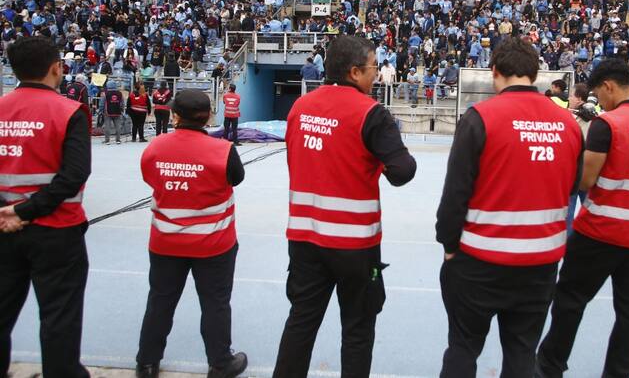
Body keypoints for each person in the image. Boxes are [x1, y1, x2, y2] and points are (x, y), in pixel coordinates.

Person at [435, 38, 583, 378]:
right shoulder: (568, 124)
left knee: (463, 347)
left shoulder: (480, 117)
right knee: (521, 352)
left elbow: (455, 193)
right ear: (535, 74)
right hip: (540, 262)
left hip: (480, 258)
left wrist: (449, 245)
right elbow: (572, 188)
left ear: (494, 72)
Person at [273, 35, 417, 378]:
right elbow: (403, 171)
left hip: (305, 239)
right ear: (354, 72)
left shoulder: (300, 107)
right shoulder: (371, 112)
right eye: (373, 68)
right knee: (357, 328)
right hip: (354, 244)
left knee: (301, 322)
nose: (376, 75)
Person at [535, 58, 629, 378]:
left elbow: (586, 180)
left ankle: (549, 366)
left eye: (598, 94)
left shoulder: (609, 124)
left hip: (601, 231)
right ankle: (619, 372)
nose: (598, 102)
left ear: (608, 86)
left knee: (570, 299)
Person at [135, 90, 248, 378]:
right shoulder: (223, 150)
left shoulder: (156, 147)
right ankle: (220, 363)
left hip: (166, 241)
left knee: (160, 301)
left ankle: (147, 363)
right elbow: (236, 178)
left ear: (174, 116)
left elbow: (150, 177)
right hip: (213, 243)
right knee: (215, 303)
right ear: (208, 117)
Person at [0, 36, 92, 378]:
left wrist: (8, 212)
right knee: (59, 317)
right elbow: (74, 176)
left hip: (3, 228)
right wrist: (24, 211)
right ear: (56, 67)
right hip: (56, 232)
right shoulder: (68, 111)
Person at [566, 83, 597, 233]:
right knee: (590, 212)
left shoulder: (585, 116)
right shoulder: (590, 116)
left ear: (579, 99)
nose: (569, 98)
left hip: (577, 171)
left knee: (570, 213)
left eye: (571, 95)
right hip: (587, 171)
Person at [102, 80, 124, 145]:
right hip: (117, 111)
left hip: (107, 112)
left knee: (107, 127)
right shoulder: (120, 93)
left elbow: (102, 103)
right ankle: (118, 140)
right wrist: (122, 110)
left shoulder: (105, 93)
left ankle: (107, 141)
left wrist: (101, 110)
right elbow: (122, 103)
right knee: (118, 127)